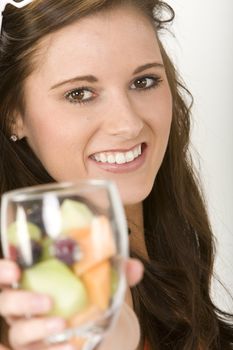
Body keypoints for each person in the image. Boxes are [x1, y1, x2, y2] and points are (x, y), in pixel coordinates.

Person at [0, 0, 232, 349]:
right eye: (79, 93)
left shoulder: (177, 278)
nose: (128, 124)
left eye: (144, 81)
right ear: (13, 115)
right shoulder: (21, 312)